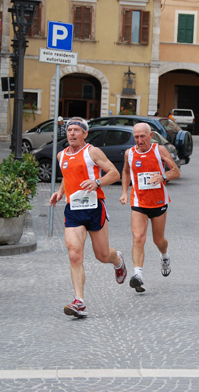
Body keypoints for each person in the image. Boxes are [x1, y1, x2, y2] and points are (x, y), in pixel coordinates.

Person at [49, 117, 127, 318]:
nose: (72, 133)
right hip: (73, 210)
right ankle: (79, 302)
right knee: (75, 254)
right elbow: (68, 178)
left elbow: (114, 173)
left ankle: (117, 260)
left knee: (102, 255)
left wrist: (98, 182)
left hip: (94, 208)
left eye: (76, 130)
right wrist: (60, 192)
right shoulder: (61, 155)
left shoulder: (92, 152)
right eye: (69, 130)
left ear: (85, 134)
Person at [119, 123, 180, 293]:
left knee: (158, 241)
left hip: (159, 202)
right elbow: (125, 172)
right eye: (136, 137)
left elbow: (176, 172)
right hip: (138, 202)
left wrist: (162, 176)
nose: (139, 140)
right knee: (138, 238)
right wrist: (124, 192)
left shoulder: (159, 150)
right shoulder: (129, 153)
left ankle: (164, 255)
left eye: (142, 136)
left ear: (150, 134)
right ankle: (138, 275)